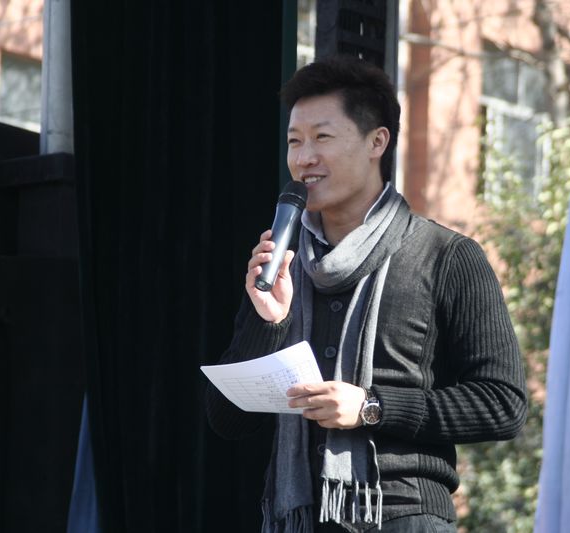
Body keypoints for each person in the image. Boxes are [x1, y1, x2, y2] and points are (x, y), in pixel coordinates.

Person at [205, 55, 527, 532]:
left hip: (404, 515)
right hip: (299, 519)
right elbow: (228, 420)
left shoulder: (446, 255)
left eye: (322, 137)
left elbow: (503, 403)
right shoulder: (282, 262)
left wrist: (371, 407)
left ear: (377, 141)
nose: (303, 158)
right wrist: (270, 322)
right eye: (294, 141)